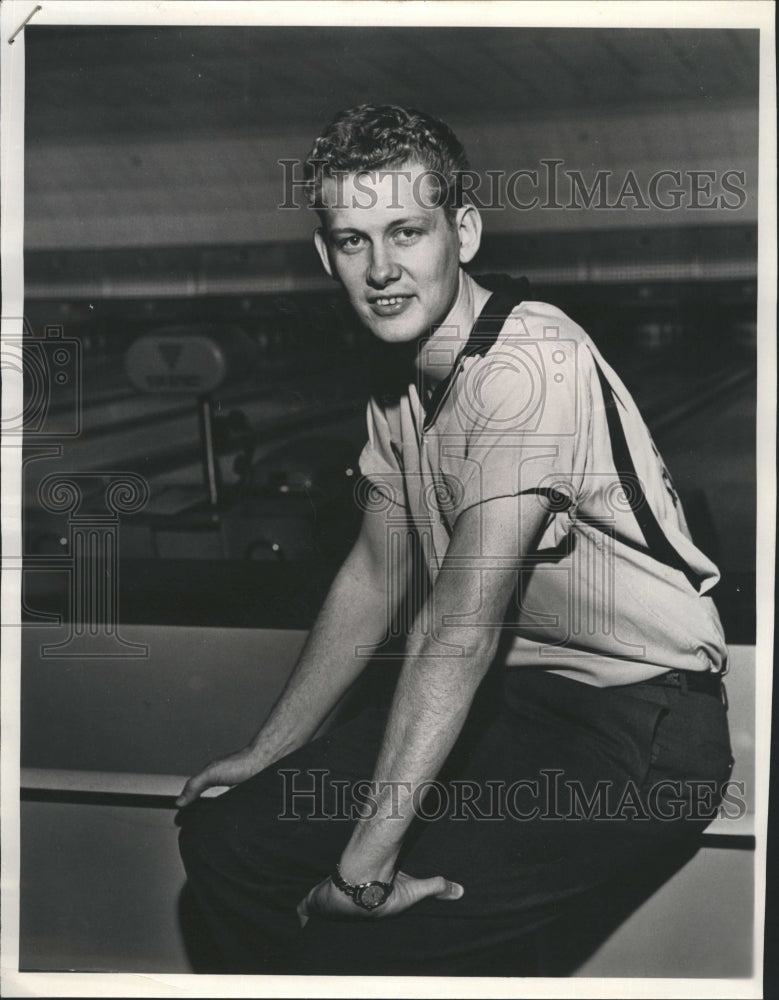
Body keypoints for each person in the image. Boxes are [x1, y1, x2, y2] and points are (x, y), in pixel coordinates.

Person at [176, 104, 733, 976]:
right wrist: (271, 747)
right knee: (225, 842)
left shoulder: (530, 362)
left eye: (406, 230)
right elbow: (375, 569)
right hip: (510, 710)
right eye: (353, 241)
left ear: (462, 231)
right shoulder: (395, 380)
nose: (382, 268)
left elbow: (460, 624)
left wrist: (364, 871)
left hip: (640, 727)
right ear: (326, 256)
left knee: (376, 939)